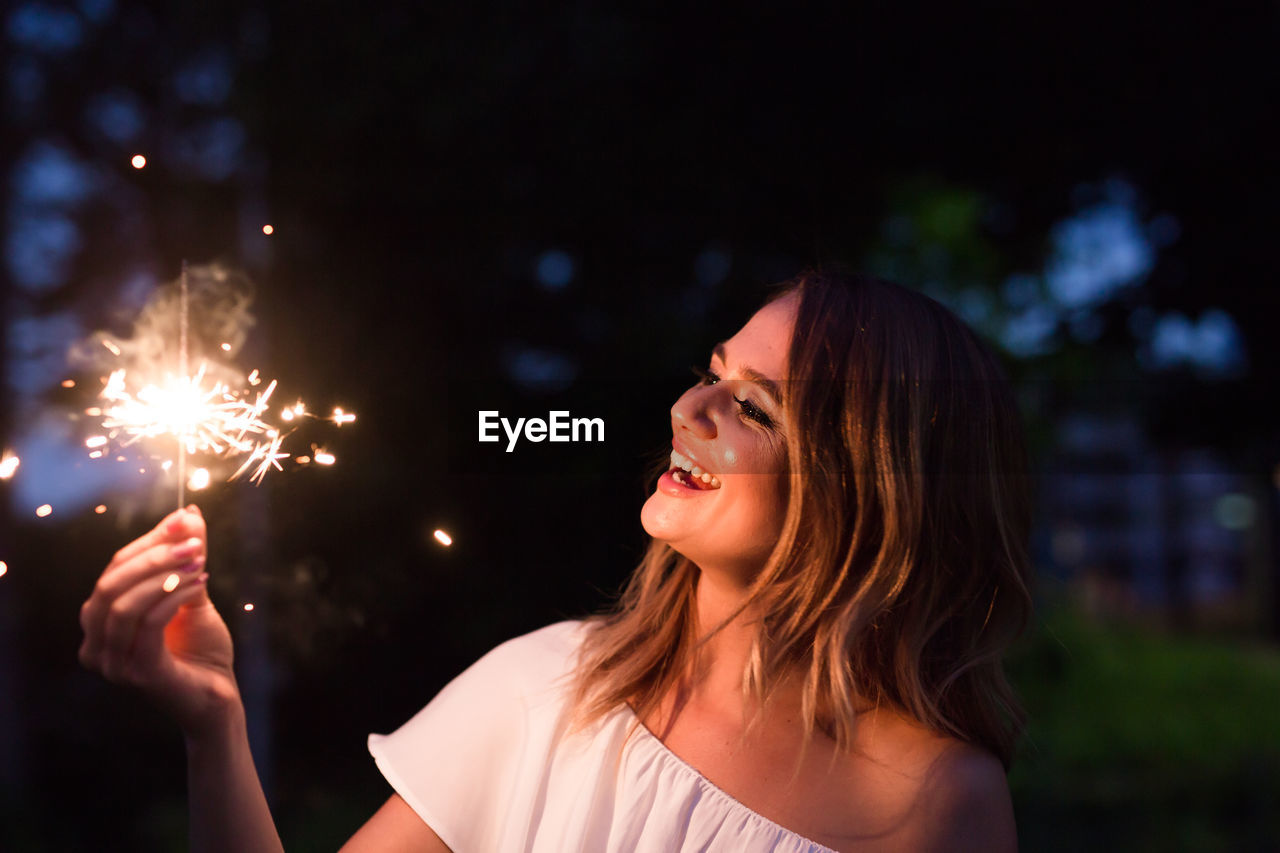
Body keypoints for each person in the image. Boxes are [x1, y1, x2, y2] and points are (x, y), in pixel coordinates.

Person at [79, 270, 1031, 852]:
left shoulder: (940, 806)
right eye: (713, 373)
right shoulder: (550, 684)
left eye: (755, 408)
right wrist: (214, 722)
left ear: (869, 491)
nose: (689, 412)